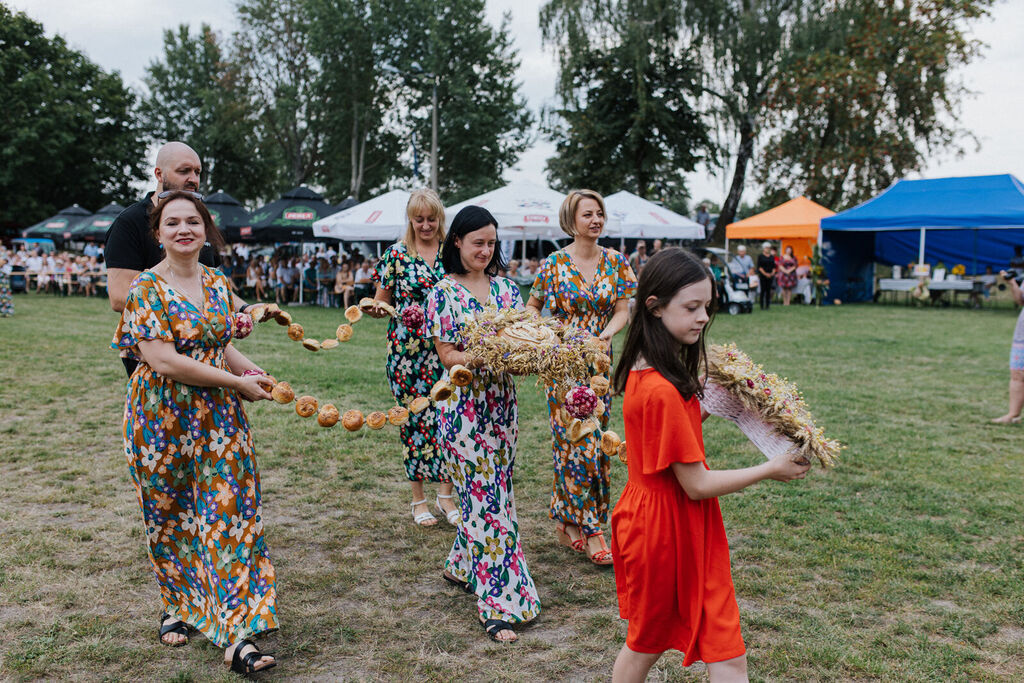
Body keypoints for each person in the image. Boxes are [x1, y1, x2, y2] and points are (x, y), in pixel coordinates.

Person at [609, 247, 810, 682]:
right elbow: (695, 484)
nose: (703, 318)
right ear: (655, 308)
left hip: (671, 523)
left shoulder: (649, 372)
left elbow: (663, 439)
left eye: (707, 307)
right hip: (664, 532)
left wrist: (706, 403)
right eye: (692, 307)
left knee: (720, 648)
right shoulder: (660, 387)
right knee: (646, 643)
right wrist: (772, 467)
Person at [110, 191, 278, 675]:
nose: (184, 229)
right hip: (161, 421)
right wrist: (236, 383)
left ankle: (239, 634)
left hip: (220, 422)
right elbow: (163, 359)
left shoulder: (219, 283)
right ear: (158, 233)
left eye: (193, 222)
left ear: (206, 231)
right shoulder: (145, 288)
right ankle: (180, 607)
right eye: (173, 222)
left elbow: (220, 347)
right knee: (173, 518)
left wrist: (254, 372)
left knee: (233, 517)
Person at [427, 205, 540, 643]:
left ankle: (461, 565)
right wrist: (485, 354)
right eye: (478, 242)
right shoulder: (442, 293)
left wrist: (532, 355)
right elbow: (447, 355)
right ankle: (500, 602)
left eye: (492, 243)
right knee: (488, 501)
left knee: (493, 491)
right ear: (457, 241)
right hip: (461, 408)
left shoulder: (509, 291)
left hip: (503, 405)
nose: (486, 250)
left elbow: (524, 347)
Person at [526, 189, 636, 566]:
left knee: (596, 443)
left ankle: (566, 518)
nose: (596, 220)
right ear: (571, 221)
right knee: (572, 444)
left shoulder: (617, 262)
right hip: (562, 366)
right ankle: (591, 529)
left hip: (600, 366)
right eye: (588, 214)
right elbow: (532, 306)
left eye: (600, 213)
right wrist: (548, 333)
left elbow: (624, 310)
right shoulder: (554, 263)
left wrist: (607, 333)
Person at [366, 189, 456, 527]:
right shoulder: (396, 254)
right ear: (410, 219)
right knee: (413, 421)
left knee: (449, 419)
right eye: (419, 219)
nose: (425, 224)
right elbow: (382, 301)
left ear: (440, 218)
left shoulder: (454, 252)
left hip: (447, 347)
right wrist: (376, 309)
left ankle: (446, 495)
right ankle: (418, 500)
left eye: (431, 218)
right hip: (406, 353)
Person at [992, 270, 1024, 423]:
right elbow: (1021, 300)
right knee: (1017, 374)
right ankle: (1013, 414)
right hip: (1022, 334)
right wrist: (1012, 283)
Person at [756, 241, 777, 310]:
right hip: (763, 276)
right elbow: (759, 267)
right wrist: (765, 274)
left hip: (770, 276)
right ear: (763, 248)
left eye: (769, 248)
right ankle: (762, 305)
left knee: (769, 291)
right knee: (763, 290)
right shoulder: (760, 256)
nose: (767, 249)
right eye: (766, 248)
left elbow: (774, 266)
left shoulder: (771, 257)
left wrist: (772, 273)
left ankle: (767, 305)